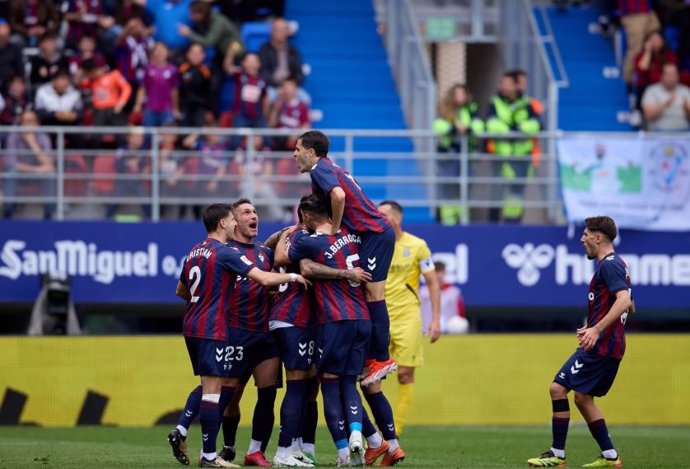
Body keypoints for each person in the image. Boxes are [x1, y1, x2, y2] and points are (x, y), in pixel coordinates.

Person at [173, 203, 308, 468]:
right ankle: (212, 448)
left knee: (266, 393)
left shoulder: (261, 252)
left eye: (255, 212)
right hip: (231, 331)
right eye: (245, 213)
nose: (252, 216)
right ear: (229, 221)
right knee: (222, 394)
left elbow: (183, 290)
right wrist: (293, 276)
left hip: (263, 333)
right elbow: (264, 279)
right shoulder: (225, 252)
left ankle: (253, 451)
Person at [527, 216, 633, 468]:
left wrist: (596, 329)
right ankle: (610, 457)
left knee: (557, 388)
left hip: (602, 345)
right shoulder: (618, 263)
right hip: (611, 344)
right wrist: (597, 322)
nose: (581, 238)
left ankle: (557, 454)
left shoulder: (609, 265)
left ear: (598, 237)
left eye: (586, 234)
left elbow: (624, 300)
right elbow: (627, 301)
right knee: (583, 398)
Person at [293, 130, 397, 386]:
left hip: (375, 233)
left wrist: (335, 228)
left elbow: (338, 196)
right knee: (363, 290)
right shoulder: (330, 168)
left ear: (311, 152)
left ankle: (381, 359)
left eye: (297, 149)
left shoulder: (320, 169)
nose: (294, 154)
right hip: (371, 234)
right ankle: (371, 356)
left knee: (374, 294)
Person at [272, 209, 373, 467]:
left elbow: (283, 256)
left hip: (326, 320)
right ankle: (359, 435)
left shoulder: (308, 240)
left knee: (322, 384)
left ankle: (332, 451)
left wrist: (287, 232)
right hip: (353, 318)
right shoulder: (350, 237)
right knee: (343, 382)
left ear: (306, 215)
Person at [377, 200, 440, 435]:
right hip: (379, 316)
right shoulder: (374, 244)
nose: (379, 218)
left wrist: (435, 320)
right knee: (373, 376)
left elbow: (433, 283)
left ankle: (395, 430)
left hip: (407, 318)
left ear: (397, 218)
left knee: (405, 373)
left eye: (383, 214)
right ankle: (375, 432)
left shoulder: (417, 246)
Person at [485, 72, 541, 223]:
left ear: (515, 85)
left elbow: (537, 125)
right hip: (501, 157)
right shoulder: (495, 102)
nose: (502, 86)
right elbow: (490, 124)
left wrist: (518, 128)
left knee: (516, 193)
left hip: (521, 158)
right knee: (497, 192)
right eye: (502, 83)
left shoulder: (527, 103)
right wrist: (511, 131)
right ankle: (493, 225)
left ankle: (513, 224)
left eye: (507, 83)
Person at [431, 83, 483, 225]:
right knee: (448, 189)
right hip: (449, 155)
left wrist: (468, 128)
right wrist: (454, 128)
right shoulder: (445, 110)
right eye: (456, 94)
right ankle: (448, 222)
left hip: (467, 155)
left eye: (461, 94)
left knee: (464, 189)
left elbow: (479, 126)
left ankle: (463, 221)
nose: (459, 97)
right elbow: (437, 125)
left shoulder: (471, 109)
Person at [2, 109, 55, 219]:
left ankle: (49, 215)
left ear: (37, 123)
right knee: (10, 173)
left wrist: (32, 143)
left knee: (50, 175)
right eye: (24, 121)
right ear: (20, 124)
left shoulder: (43, 137)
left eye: (31, 121)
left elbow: (48, 163)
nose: (27, 124)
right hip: (19, 174)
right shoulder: (13, 137)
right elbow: (12, 163)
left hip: (37, 177)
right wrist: (37, 170)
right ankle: (8, 213)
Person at [420, 261, 468, 334]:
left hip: (450, 333)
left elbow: (460, 313)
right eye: (436, 272)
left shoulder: (454, 292)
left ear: (445, 273)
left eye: (441, 272)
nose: (439, 275)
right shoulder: (422, 292)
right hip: (426, 332)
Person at [641, 62, 690, 131]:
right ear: (661, 76)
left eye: (673, 74)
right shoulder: (652, 91)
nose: (671, 78)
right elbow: (648, 115)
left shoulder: (686, 91)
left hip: (684, 132)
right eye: (668, 75)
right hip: (658, 133)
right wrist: (665, 105)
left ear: (678, 75)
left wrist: (687, 109)